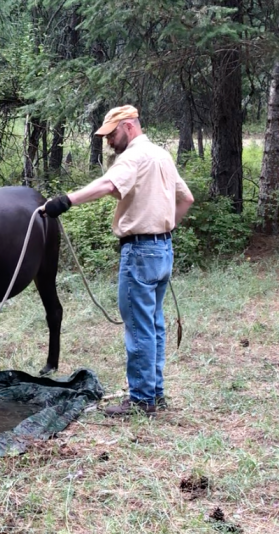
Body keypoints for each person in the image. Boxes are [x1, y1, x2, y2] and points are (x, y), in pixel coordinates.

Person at [40, 105, 194, 417]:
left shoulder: (134, 157)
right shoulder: (161, 155)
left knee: (139, 327)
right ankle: (154, 393)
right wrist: (164, 229)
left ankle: (141, 400)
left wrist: (65, 201)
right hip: (162, 250)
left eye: (112, 133)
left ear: (128, 126)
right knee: (153, 324)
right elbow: (186, 198)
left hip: (139, 253)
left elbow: (108, 185)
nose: (109, 140)